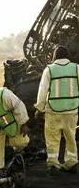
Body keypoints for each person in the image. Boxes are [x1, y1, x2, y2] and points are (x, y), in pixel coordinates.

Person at [35, 45, 79, 174]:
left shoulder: (49, 70)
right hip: (71, 110)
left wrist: (39, 108)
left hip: (53, 111)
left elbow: (42, 91)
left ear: (54, 56)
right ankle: (71, 162)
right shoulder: (77, 68)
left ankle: (53, 164)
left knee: (52, 138)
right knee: (71, 137)